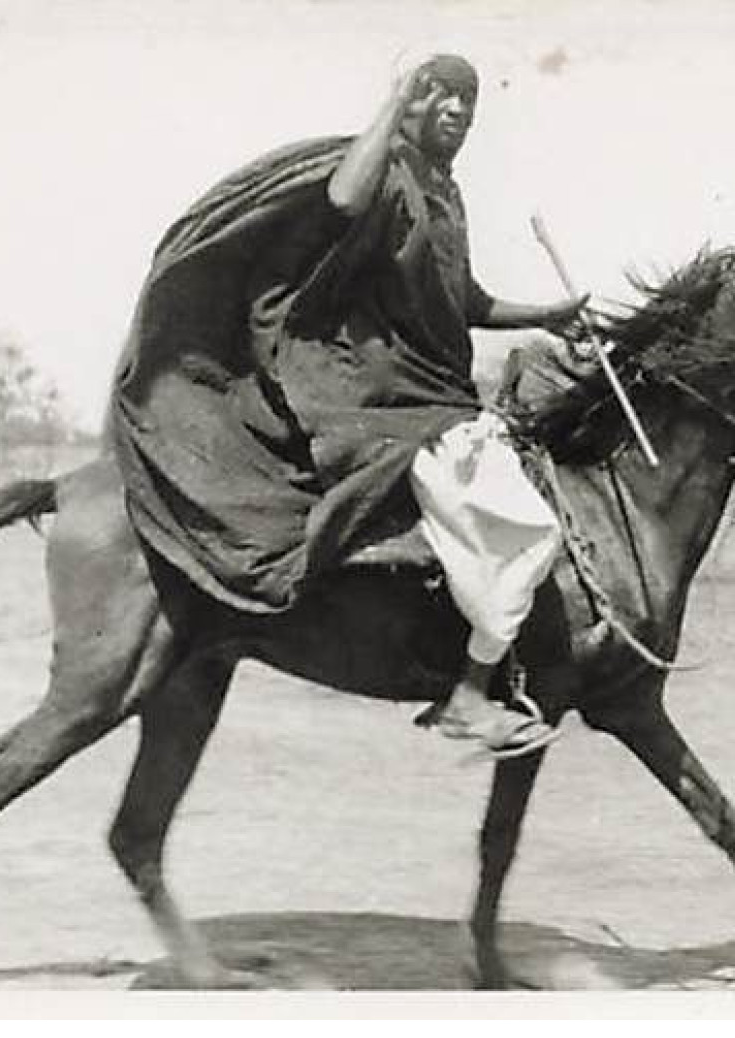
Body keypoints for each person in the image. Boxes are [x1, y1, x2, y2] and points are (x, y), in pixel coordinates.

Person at [108, 54, 584, 756]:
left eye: (468, 104)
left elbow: (466, 301)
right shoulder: (381, 168)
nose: (457, 111)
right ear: (413, 104)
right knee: (531, 533)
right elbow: (340, 202)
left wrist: (547, 313)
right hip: (376, 400)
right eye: (441, 96)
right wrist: (393, 102)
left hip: (434, 394)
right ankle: (469, 695)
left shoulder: (444, 193)